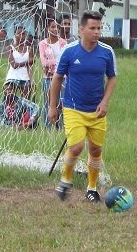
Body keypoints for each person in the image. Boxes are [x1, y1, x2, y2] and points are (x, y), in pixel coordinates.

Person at [49, 10, 117, 203]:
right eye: (92, 28)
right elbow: (57, 79)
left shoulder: (106, 52)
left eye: (99, 28)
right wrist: (53, 107)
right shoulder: (69, 51)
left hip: (96, 111)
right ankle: (66, 179)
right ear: (81, 30)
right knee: (77, 147)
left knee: (95, 150)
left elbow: (112, 78)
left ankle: (92, 189)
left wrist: (105, 102)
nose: (97, 32)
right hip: (73, 108)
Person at [38, 17, 67, 129]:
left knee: (62, 103)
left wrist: (54, 64)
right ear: (47, 28)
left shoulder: (63, 43)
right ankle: (47, 128)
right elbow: (44, 63)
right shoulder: (42, 44)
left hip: (62, 77)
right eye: (53, 27)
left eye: (57, 27)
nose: (55, 29)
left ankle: (62, 127)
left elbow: (64, 61)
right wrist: (57, 62)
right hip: (48, 78)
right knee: (48, 103)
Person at [5, 25, 34, 98]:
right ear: (15, 35)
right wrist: (28, 62)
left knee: (25, 102)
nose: (21, 36)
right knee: (9, 100)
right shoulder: (9, 48)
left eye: (23, 34)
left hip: (25, 77)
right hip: (12, 77)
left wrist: (32, 80)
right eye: (19, 34)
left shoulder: (29, 49)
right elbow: (14, 65)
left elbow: (30, 67)